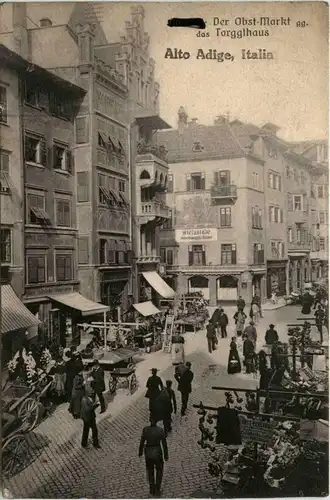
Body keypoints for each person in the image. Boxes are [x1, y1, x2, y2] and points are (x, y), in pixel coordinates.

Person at [138, 417, 169, 497]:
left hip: (148, 452)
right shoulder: (160, 430)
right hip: (157, 452)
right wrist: (166, 455)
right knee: (159, 470)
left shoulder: (145, 430)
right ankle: (157, 488)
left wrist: (140, 452)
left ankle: (152, 488)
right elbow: (164, 444)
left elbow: (142, 441)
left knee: (150, 471)